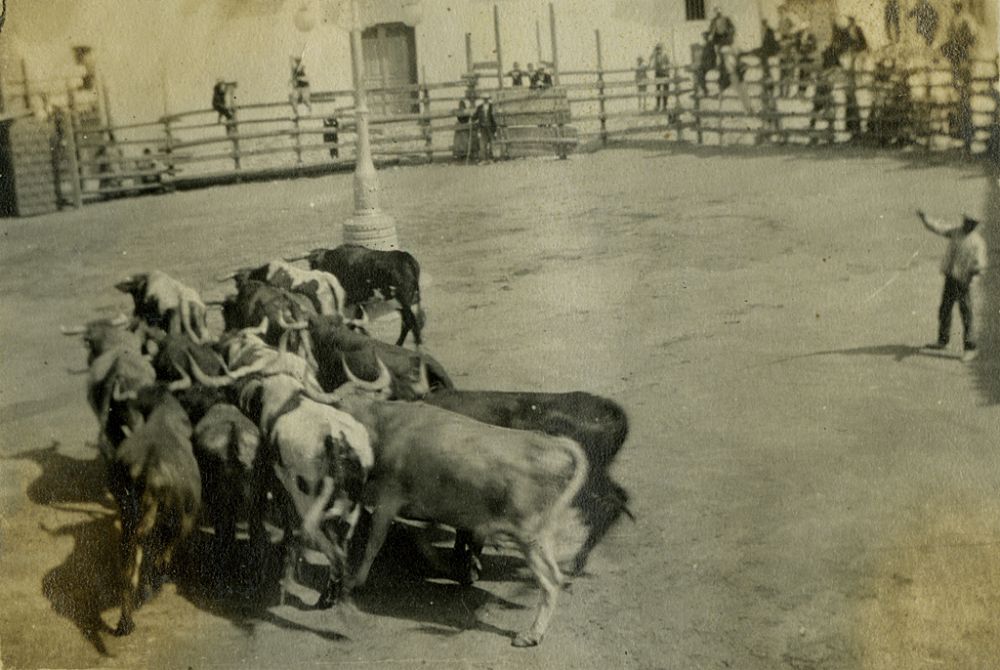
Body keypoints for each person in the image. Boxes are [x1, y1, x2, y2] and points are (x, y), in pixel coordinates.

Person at [917, 210, 987, 361]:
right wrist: (925, 219)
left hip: (964, 281)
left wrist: (974, 270)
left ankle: (970, 347)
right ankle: (943, 340)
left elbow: (981, 264)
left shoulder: (977, 242)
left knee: (966, 313)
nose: (966, 224)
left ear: (975, 225)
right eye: (965, 221)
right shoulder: (956, 232)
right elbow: (939, 228)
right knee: (945, 309)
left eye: (970, 223)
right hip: (951, 277)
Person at [474, 95, 497, 162]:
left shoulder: (492, 106)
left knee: (492, 143)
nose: (485, 100)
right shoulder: (480, 107)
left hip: (491, 127)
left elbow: (495, 117)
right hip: (482, 127)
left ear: (488, 99)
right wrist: (471, 118)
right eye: (484, 99)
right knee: (483, 143)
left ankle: (492, 158)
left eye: (486, 99)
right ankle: (484, 159)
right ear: (483, 99)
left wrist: (495, 128)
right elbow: (475, 116)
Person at [650, 43, 670, 111]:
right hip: (658, 74)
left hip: (665, 74)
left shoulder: (665, 55)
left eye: (659, 49)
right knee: (658, 90)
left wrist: (665, 66)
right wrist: (652, 56)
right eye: (657, 49)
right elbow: (650, 64)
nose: (658, 50)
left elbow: (669, 64)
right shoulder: (655, 56)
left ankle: (665, 106)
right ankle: (658, 106)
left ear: (662, 49)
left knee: (665, 91)